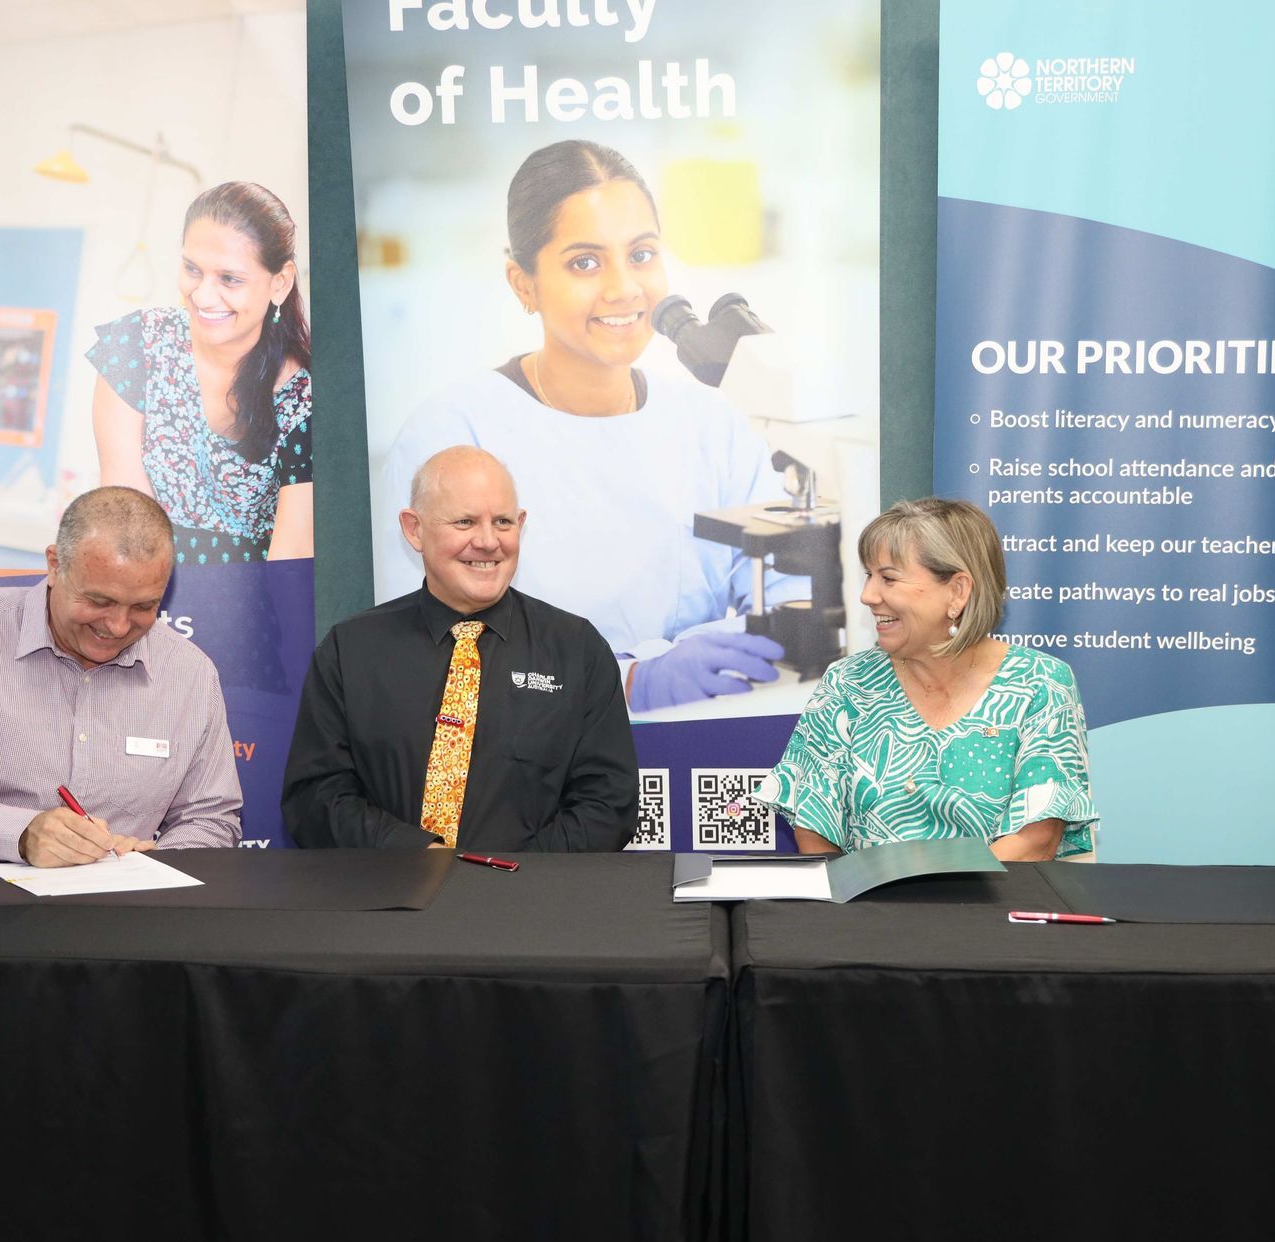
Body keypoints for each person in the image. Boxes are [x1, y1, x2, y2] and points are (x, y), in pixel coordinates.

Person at [380, 139, 804, 712]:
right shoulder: (453, 435)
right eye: (585, 262)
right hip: (527, 775)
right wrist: (626, 682)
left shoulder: (711, 424)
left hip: (697, 739)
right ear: (521, 282)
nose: (623, 288)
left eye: (642, 254)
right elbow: (426, 655)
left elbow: (791, 594)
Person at [283, 446, 636, 852]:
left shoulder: (577, 650)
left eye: (502, 522)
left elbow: (609, 803)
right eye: (465, 522)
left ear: (521, 525)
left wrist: (505, 879)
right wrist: (415, 856)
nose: (487, 542)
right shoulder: (351, 650)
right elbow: (314, 797)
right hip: (386, 902)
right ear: (414, 529)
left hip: (531, 906)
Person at [0, 486, 241, 864]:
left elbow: (209, 818)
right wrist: (19, 836)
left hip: (122, 912)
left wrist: (154, 862)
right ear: (55, 566)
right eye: (99, 601)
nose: (119, 625)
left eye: (144, 606)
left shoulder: (189, 674)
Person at [757, 498, 1098, 860]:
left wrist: (937, 904)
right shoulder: (847, 683)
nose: (868, 595)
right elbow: (814, 828)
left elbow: (1036, 840)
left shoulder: (1040, 683)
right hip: (870, 911)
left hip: (993, 910)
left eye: (888, 578)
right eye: (869, 576)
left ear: (957, 591)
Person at [88, 180, 312, 566]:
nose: (204, 296)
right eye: (193, 269)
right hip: (143, 588)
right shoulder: (137, 345)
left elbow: (291, 556)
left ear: (281, 282)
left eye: (230, 279)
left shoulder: (304, 396)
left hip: (253, 609)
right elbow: (125, 508)